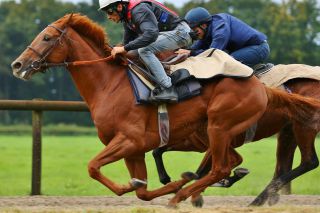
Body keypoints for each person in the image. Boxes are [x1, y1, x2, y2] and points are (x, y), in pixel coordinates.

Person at [98, 0, 192, 102]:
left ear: (119, 6)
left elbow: (151, 34)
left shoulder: (139, 10)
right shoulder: (128, 19)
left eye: (109, 11)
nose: (108, 16)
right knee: (132, 52)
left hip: (181, 32)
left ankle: (168, 88)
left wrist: (124, 48)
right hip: (170, 34)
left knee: (144, 51)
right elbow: (127, 45)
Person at [176, 7, 270, 68]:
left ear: (203, 25)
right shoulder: (209, 28)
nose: (195, 34)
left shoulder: (220, 31)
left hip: (259, 48)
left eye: (195, 30)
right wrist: (186, 50)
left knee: (226, 62)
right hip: (247, 48)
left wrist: (191, 53)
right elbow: (199, 46)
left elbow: (212, 53)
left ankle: (258, 70)